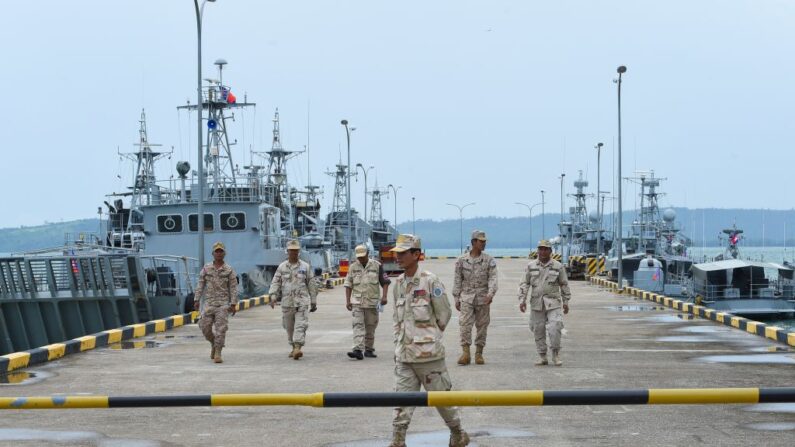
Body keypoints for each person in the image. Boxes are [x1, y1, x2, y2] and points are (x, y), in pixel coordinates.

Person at [389, 234, 469, 447]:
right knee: (401, 402)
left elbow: (444, 314)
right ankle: (398, 440)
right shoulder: (398, 283)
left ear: (416, 254)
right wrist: (401, 341)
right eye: (397, 253)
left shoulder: (430, 280)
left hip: (429, 357)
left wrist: (428, 337)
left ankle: (458, 433)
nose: (398, 257)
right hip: (405, 356)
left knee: (443, 401)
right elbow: (397, 319)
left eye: (403, 253)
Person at [517, 239, 571, 366]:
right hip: (537, 303)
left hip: (553, 303)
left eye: (545, 249)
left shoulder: (558, 266)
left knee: (555, 327)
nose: (542, 251)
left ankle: (555, 355)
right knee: (538, 329)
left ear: (550, 251)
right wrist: (522, 300)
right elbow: (524, 284)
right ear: (537, 251)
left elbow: (564, 284)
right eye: (540, 249)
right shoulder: (531, 266)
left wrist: (566, 301)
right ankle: (542, 356)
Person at [452, 230, 498, 365]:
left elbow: (493, 278)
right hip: (466, 297)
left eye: (484, 241)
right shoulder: (461, 260)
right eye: (481, 241)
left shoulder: (489, 260)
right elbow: (457, 279)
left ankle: (479, 353)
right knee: (464, 325)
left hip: (483, 297)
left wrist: (491, 294)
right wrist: (456, 297)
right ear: (473, 242)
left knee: (482, 326)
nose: (483, 244)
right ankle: (465, 353)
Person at [268, 239, 318, 360]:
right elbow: (276, 282)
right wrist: (273, 295)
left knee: (300, 325)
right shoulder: (282, 267)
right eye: (291, 251)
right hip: (287, 302)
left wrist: (313, 300)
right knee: (289, 327)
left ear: (299, 252)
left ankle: (297, 347)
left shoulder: (305, 267)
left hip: (301, 302)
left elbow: (311, 284)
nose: (294, 253)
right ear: (287, 252)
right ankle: (293, 346)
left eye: (296, 251)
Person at [344, 244, 391, 360]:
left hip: (372, 302)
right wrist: (348, 301)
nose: (361, 259)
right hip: (357, 302)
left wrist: (384, 297)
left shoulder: (377, 266)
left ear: (368, 254)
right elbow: (348, 284)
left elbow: (385, 282)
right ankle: (357, 350)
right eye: (359, 257)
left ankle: (369, 349)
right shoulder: (353, 267)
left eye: (363, 256)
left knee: (370, 327)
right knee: (357, 325)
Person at [194, 241, 238, 363]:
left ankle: (218, 351)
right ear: (213, 253)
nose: (219, 253)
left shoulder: (229, 270)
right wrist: (196, 299)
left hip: (223, 305)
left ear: (224, 253)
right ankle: (213, 343)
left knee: (221, 329)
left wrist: (233, 304)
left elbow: (233, 288)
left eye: (221, 251)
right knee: (204, 327)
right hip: (209, 304)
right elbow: (200, 284)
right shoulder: (207, 268)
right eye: (217, 251)